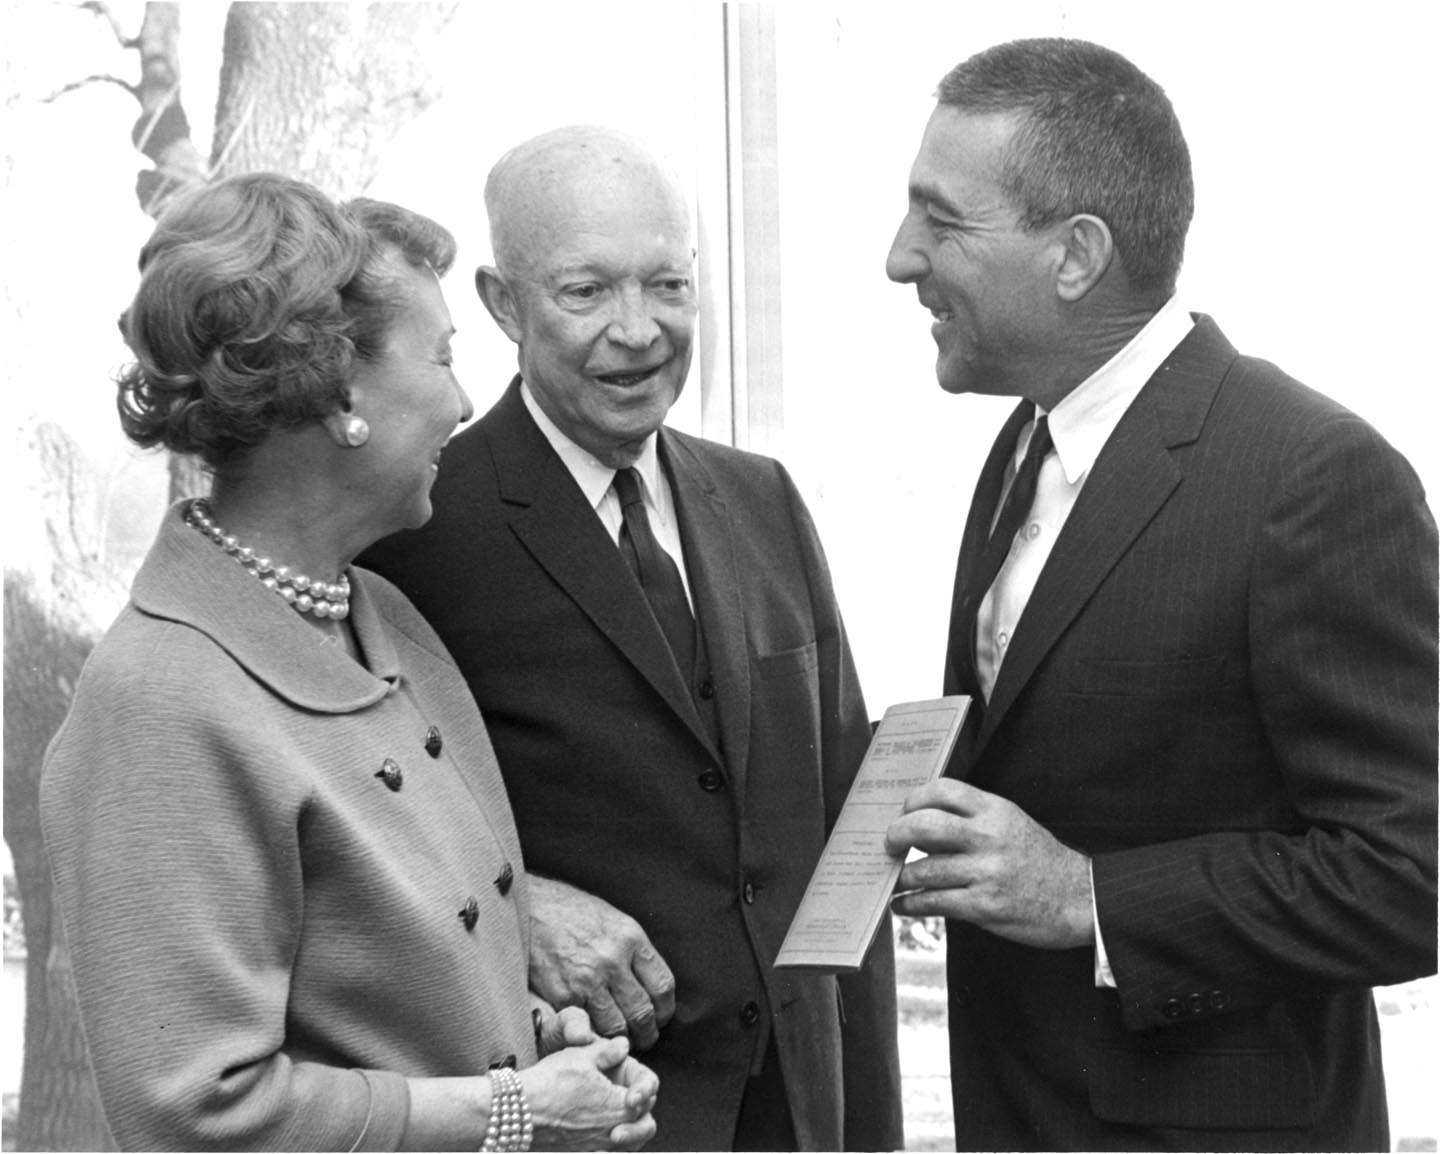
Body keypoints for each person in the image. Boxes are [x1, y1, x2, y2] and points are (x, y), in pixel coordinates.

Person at [881, 37, 1438, 1152]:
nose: (900, 259)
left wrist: (1087, 895)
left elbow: (1413, 875)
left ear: (1076, 255)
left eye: (940, 222)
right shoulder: (1020, 444)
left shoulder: (1310, 475)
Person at [40, 172, 660, 1152]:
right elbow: (195, 1109)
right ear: (341, 394)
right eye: (445, 358)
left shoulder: (389, 619)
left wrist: (547, 1053)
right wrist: (515, 1108)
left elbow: (398, 993)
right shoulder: (158, 702)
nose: (464, 402)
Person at [360, 126, 904, 1152]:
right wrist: (520, 914)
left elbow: (841, 827)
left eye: (668, 285)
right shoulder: (418, 531)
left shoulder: (765, 499)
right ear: (501, 302)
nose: (639, 329)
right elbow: (359, 845)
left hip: (799, 1111)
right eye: (587, 291)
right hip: (586, 1116)